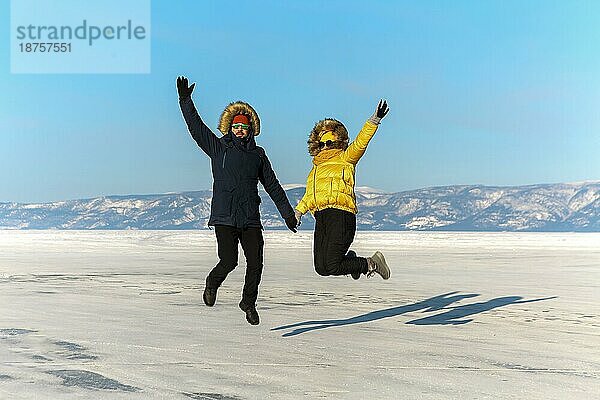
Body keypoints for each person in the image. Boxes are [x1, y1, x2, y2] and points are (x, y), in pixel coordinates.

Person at [177, 76, 298, 325]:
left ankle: (248, 302)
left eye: (243, 127)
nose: (239, 130)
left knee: (256, 262)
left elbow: (272, 186)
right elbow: (196, 127)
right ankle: (213, 282)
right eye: (236, 126)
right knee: (229, 260)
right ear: (229, 128)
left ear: (251, 129)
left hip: (250, 217)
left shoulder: (258, 155)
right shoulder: (218, 148)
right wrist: (185, 100)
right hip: (224, 216)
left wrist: (287, 213)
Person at [294, 100, 391, 280]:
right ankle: (351, 261)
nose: (325, 147)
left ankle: (372, 263)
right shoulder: (315, 169)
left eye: (329, 142)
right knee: (321, 268)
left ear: (337, 141)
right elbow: (310, 196)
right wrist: (299, 212)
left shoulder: (345, 158)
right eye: (321, 143)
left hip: (341, 215)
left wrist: (374, 120)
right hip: (321, 218)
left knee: (331, 263)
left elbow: (360, 143)